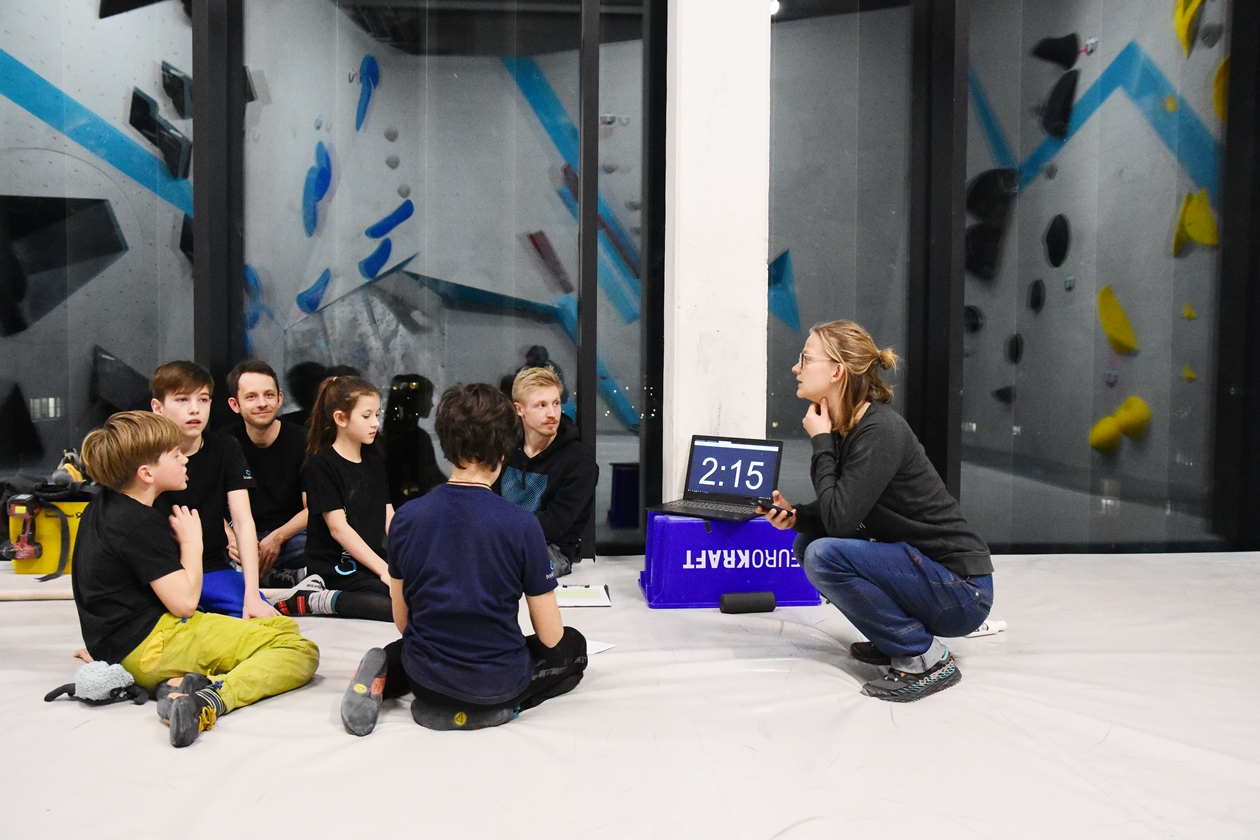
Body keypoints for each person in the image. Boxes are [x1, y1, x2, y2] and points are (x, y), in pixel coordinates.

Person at [759, 320, 993, 702]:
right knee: (807, 542)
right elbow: (848, 504)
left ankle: (925, 659)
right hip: (927, 576)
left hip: (963, 593)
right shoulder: (850, 428)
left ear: (837, 371)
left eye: (805, 358)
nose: (795, 368)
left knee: (822, 553)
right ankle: (895, 637)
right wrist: (798, 515)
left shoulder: (880, 430)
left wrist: (820, 442)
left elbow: (842, 519)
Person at [340, 383, 587, 736]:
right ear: (505, 448)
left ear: (445, 444)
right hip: (496, 684)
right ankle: (496, 708)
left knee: (406, 646)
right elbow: (550, 636)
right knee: (573, 647)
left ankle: (387, 673)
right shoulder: (522, 525)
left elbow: (402, 621)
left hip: (427, 682)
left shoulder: (406, 519)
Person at [73, 411, 319, 747]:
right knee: (298, 649)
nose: (184, 458)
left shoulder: (104, 506)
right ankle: (211, 698)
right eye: (175, 455)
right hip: (151, 645)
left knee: (280, 627)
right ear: (146, 473)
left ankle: (178, 683)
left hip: (126, 643)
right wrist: (193, 543)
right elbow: (185, 602)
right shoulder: (137, 523)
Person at [150, 361, 274, 620]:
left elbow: (242, 521)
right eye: (182, 400)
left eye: (203, 399)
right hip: (159, 572)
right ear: (158, 408)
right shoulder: (145, 453)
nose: (195, 409)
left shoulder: (225, 448)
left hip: (211, 569)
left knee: (265, 622)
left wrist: (252, 592)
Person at [272, 375, 394, 622]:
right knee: (394, 608)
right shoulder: (322, 465)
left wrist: (407, 559)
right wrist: (384, 571)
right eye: (367, 415)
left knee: (414, 594)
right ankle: (316, 599)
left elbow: (389, 516)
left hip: (370, 562)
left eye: (377, 415)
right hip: (335, 568)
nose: (375, 423)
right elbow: (338, 529)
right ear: (340, 418)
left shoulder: (373, 462)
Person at [494, 366, 598, 577]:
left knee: (491, 566)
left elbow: (554, 526)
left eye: (556, 403)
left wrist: (494, 532)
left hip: (551, 550)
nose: (552, 414)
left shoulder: (579, 461)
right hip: (501, 541)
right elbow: (487, 501)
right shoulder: (504, 448)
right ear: (519, 410)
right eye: (541, 405)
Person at [225, 359, 309, 587]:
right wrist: (231, 538)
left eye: (269, 395)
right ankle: (275, 579)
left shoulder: (303, 441)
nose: (262, 403)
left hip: (290, 538)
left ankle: (265, 578)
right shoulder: (224, 443)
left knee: (322, 546)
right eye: (251, 397)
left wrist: (278, 537)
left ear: (280, 399)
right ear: (235, 404)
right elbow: (206, 502)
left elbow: (314, 507)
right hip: (241, 539)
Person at [381, 373, 446, 508]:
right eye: (428, 397)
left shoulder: (391, 436)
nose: (432, 404)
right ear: (416, 400)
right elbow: (434, 478)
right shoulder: (416, 439)